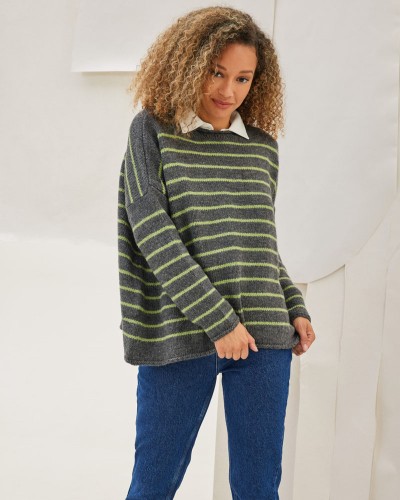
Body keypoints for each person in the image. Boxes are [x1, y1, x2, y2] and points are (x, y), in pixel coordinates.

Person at [117, 6, 316, 499]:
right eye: (217, 72)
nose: (229, 90)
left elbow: (260, 242)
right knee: (153, 485)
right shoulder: (153, 132)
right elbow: (153, 233)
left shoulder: (262, 147)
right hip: (183, 333)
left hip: (265, 337)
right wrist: (220, 322)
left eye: (243, 78)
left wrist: (293, 305)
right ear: (188, 65)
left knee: (258, 488)